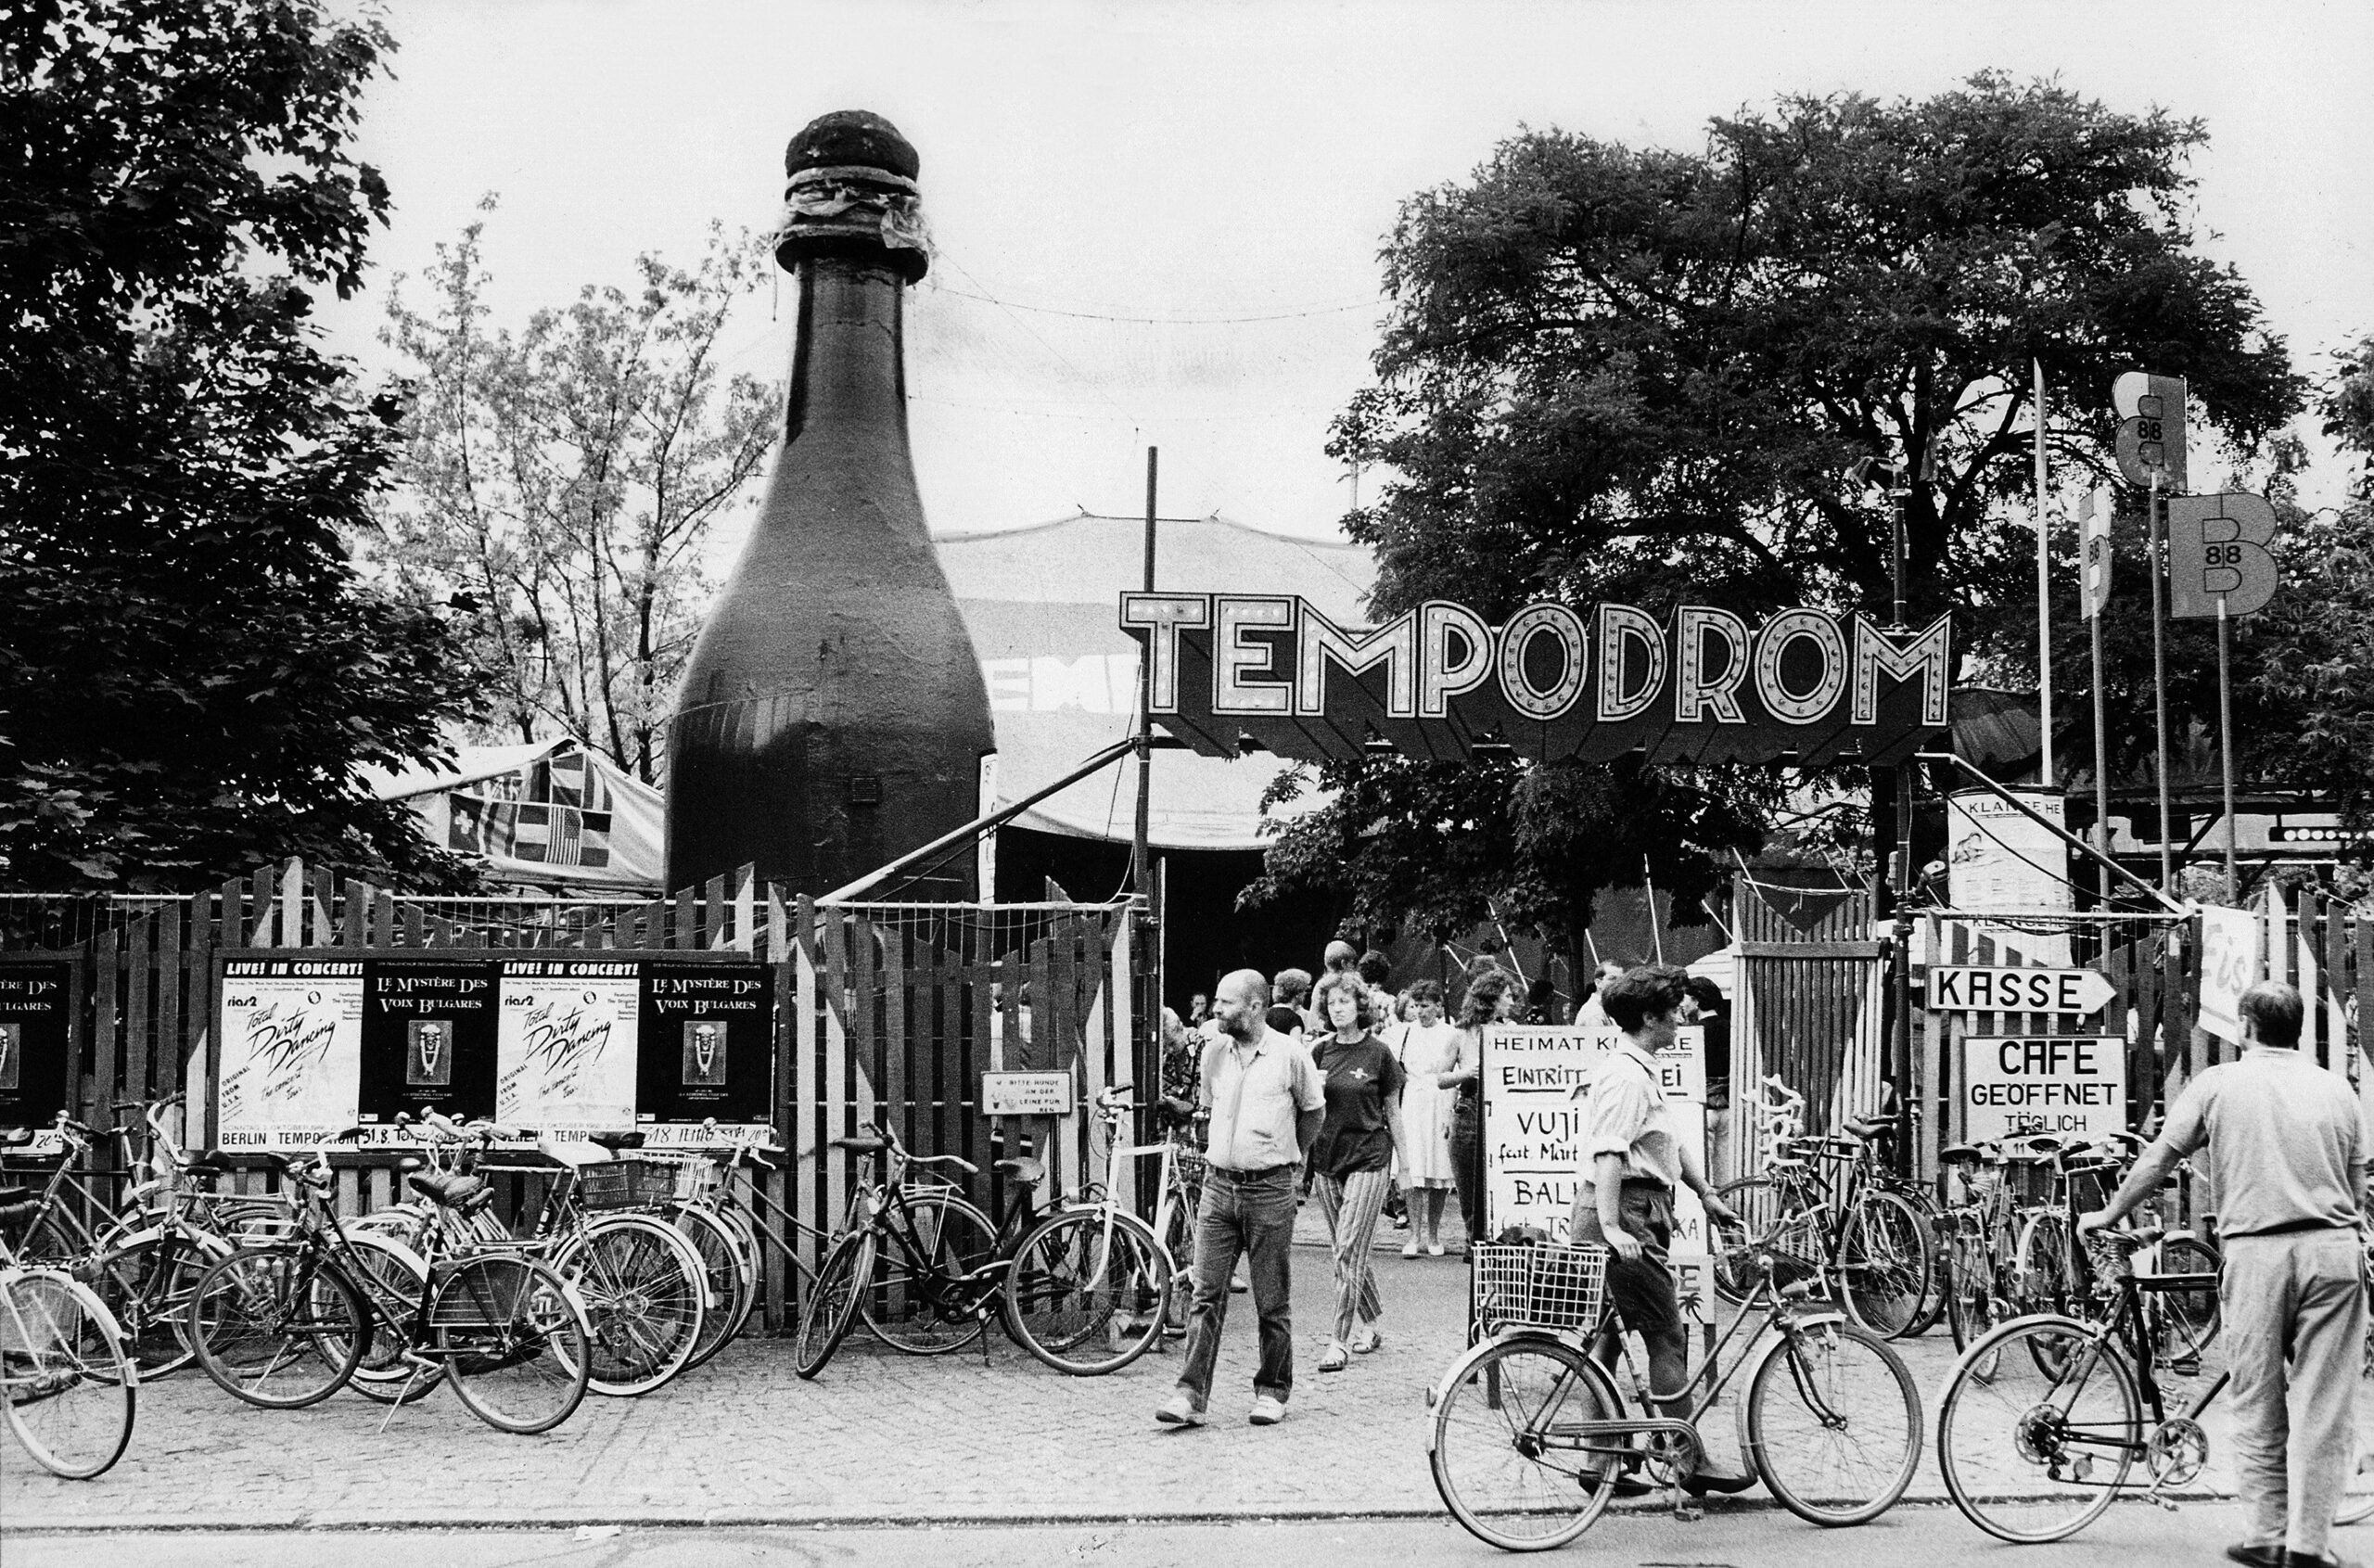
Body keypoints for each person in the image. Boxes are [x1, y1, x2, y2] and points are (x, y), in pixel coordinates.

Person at [2080, 981, 2368, 1568]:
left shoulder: (2218, 1085)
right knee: (2324, 1405)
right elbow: (2359, 1183)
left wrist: (2108, 1214)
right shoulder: (2338, 1089)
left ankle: (2264, 1535)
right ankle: (2308, 1547)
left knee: (2257, 1396)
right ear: (2299, 1030)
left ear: (2245, 1026)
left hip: (2257, 1253)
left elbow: (2161, 1158)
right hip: (2333, 1252)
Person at [1567, 963, 1749, 1492]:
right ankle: (1683, 1456)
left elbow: (1667, 1141)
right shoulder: (1626, 1076)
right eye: (1672, 1011)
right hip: (1626, 1213)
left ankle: (1597, 1463)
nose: (1681, 1017)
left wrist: (1707, 1195)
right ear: (1649, 1017)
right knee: (1668, 1334)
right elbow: (1608, 1154)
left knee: (1603, 1338)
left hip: (1629, 1209)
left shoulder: (1637, 1067)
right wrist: (1611, 1226)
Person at [1156, 969, 1325, 1430]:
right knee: (1205, 1294)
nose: (1216, 1009)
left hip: (1269, 1188)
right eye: (1215, 1001)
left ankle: (1273, 1390)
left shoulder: (1290, 1055)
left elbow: (1313, 1113)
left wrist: (1292, 1161)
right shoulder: (1215, 1053)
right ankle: (1190, 1394)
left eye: (1225, 1002)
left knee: (1272, 1300)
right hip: (1218, 1186)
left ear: (1254, 1006)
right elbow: (1209, 1106)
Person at [1305, 970, 1410, 1370]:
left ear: (1360, 1006)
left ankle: (1338, 1340)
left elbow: (1394, 1114)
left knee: (1348, 1251)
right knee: (1346, 1252)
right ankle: (1373, 1322)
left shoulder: (1379, 1053)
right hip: (1328, 1159)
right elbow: (1308, 1108)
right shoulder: (1318, 1052)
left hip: (1369, 1156)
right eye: (1331, 1004)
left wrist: (1406, 1167)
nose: (1337, 1009)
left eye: (1344, 1002)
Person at [1437, 967, 1518, 1250]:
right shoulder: (1460, 1034)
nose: (1512, 1002)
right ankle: (1475, 1244)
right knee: (1469, 1186)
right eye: (1507, 996)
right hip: (1469, 1107)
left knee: (1499, 1183)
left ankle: (1497, 1245)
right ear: (1491, 999)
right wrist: (1466, 1073)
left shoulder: (1511, 1031)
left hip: (1502, 1109)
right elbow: (1441, 1078)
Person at [1393, 978, 1461, 1256]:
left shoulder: (1450, 1033)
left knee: (1438, 1170)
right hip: (1412, 1101)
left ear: (1438, 1006)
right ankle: (1414, 1236)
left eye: (1425, 1006)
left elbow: (1454, 1077)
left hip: (1439, 1099)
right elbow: (1396, 1071)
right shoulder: (1403, 1033)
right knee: (1414, 1168)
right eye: (1416, 1005)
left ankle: (1433, 1235)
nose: (1419, 1011)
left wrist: (1449, 1111)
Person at [1682, 975, 1730, 1183]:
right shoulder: (1731, 1026)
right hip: (1728, 1104)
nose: (1682, 1003)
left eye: (1685, 998)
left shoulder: (1694, 1033)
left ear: (1697, 1001)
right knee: (1725, 1170)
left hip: (1703, 1106)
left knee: (1703, 1170)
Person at [1576, 958, 1628, 1027]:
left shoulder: (1606, 1008)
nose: (1618, 984)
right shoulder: (1594, 1014)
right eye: (1612, 979)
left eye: (1621, 980)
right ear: (1598, 983)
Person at [1269, 968, 1313, 1039]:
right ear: (1298, 993)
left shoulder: (1263, 1014)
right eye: (1304, 990)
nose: (1305, 994)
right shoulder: (1294, 1019)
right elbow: (1295, 1046)